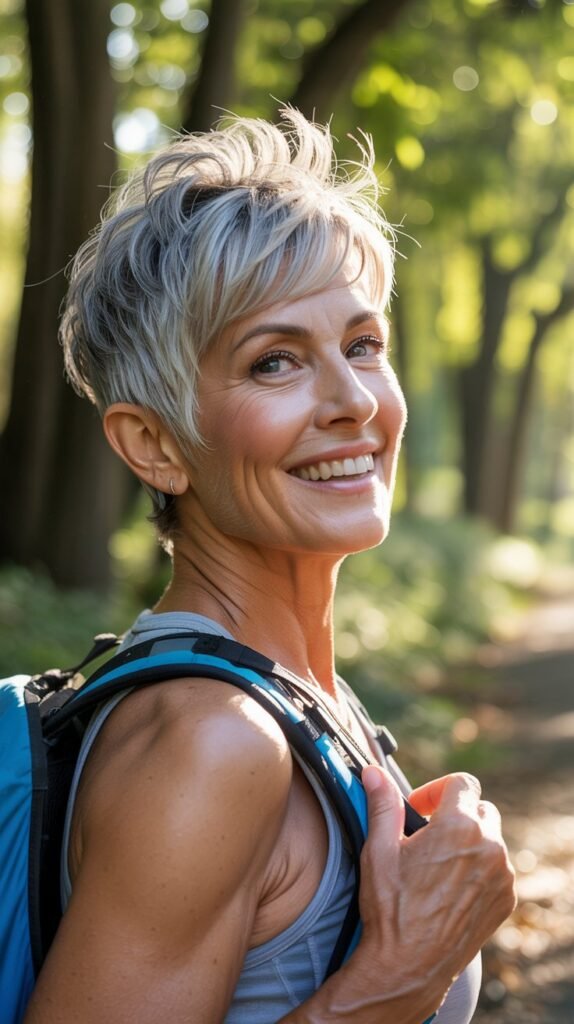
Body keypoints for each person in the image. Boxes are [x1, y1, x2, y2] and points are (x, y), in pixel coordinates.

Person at [24, 109, 516, 1024]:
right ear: (155, 444)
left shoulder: (298, 702)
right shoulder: (213, 746)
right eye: (277, 361)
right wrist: (398, 981)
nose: (353, 400)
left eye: (364, 345)